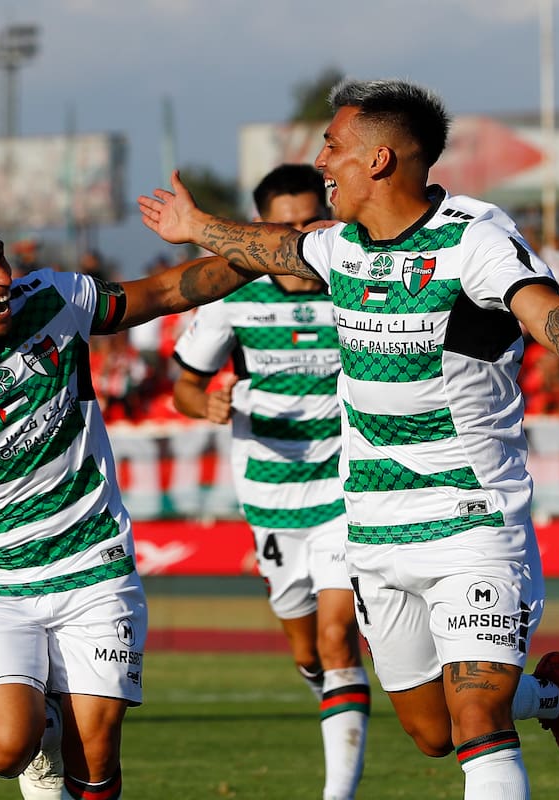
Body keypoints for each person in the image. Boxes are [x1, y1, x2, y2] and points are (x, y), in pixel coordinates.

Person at [138, 78, 559, 799]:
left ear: (378, 160)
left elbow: (542, 310)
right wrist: (199, 225)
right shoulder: (340, 248)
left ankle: (513, 704)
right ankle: (552, 697)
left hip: (473, 520)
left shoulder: (475, 237)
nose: (322, 162)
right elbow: (273, 247)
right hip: (374, 532)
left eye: (333, 147)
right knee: (431, 731)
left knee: (475, 716)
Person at [0, 188, 269, 800]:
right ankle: (38, 739)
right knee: (9, 747)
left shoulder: (55, 300)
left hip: (93, 560)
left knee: (95, 756)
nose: (4, 277)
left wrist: (277, 252)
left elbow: (166, 292)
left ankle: (62, 738)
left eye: (0, 258)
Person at [171, 163, 368, 800]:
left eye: (312, 220)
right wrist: (207, 406)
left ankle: (337, 792)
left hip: (346, 487)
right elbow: (184, 387)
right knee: (307, 649)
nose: (299, 234)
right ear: (260, 228)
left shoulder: (355, 285)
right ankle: (325, 687)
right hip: (269, 497)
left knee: (340, 635)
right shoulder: (232, 294)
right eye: (284, 225)